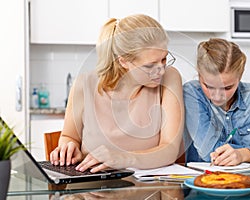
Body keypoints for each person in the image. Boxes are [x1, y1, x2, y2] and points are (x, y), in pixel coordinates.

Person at [50, 14, 184, 172]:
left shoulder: (170, 77)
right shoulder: (84, 85)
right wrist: (69, 147)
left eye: (164, 59)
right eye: (149, 66)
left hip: (148, 191)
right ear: (124, 61)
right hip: (92, 189)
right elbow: (69, 136)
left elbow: (169, 149)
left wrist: (123, 158)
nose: (161, 70)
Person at [183, 38, 250, 166]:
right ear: (199, 75)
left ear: (240, 77)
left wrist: (243, 154)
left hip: (246, 178)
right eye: (209, 86)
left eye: (227, 88)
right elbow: (208, 150)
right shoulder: (192, 93)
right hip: (203, 179)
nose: (217, 96)